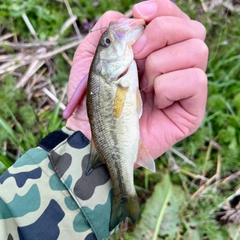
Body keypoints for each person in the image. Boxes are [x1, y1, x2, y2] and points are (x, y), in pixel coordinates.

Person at [0, 0, 208, 239]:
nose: (111, 39)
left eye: (107, 42)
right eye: (107, 42)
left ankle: (123, 194)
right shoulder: (111, 77)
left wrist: (84, 140)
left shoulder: (115, 73)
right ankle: (124, 194)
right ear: (101, 62)